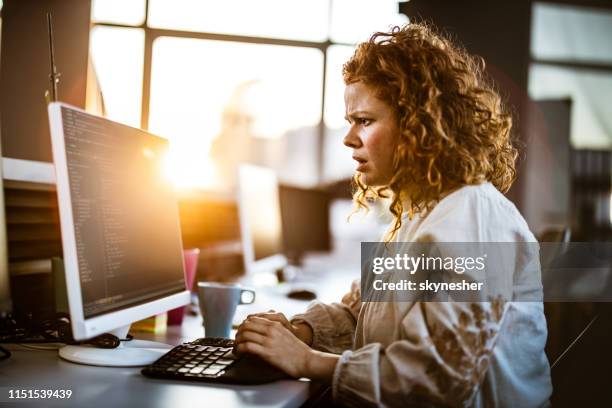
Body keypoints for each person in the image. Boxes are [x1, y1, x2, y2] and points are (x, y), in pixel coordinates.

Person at [234, 22, 552, 407]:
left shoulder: (469, 214)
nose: (349, 138)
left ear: (418, 124)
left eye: (364, 121)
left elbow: (438, 377)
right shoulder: (420, 211)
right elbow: (362, 314)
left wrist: (305, 360)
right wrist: (299, 331)